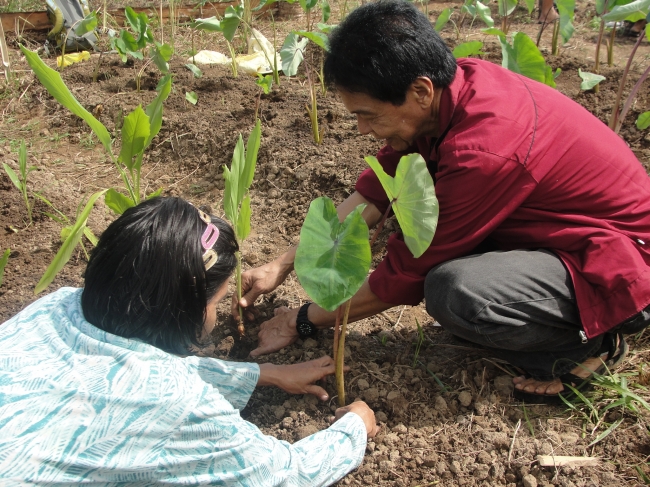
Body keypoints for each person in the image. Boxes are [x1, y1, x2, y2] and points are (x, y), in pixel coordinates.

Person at [233, 0, 650, 403]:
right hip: (552, 231)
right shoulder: (452, 90)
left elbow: (405, 274)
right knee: (455, 278)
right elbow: (377, 191)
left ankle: (589, 342)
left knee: (454, 291)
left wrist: (301, 319)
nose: (361, 129)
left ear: (419, 90)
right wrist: (282, 263)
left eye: (369, 115)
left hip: (614, 258)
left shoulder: (484, 149)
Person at [0, 197, 378, 485]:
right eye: (216, 301)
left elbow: (118, 367)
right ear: (190, 309)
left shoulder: (55, 307)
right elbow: (285, 474)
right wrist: (354, 429)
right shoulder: (178, 405)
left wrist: (261, 374)